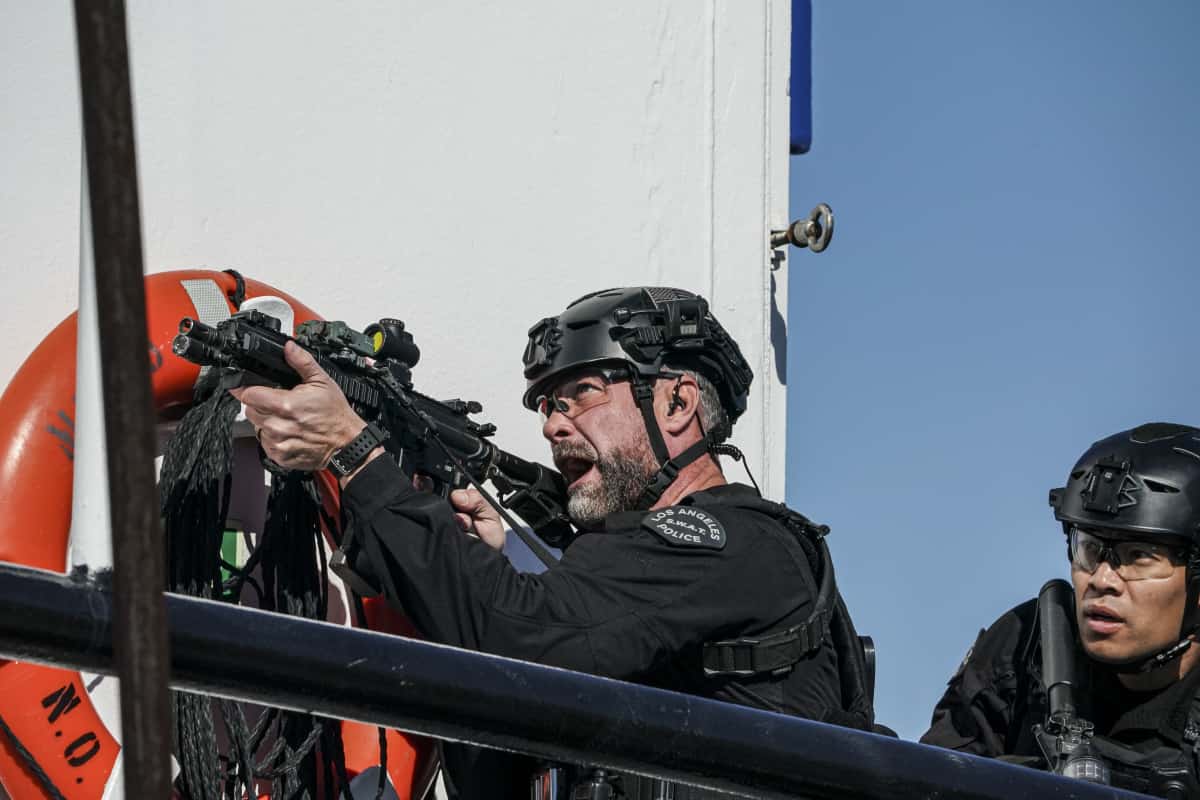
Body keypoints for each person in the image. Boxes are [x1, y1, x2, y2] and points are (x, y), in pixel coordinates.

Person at [233, 286, 875, 799]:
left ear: (677, 404)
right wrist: (475, 563)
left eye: (581, 395)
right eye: (546, 405)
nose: (552, 426)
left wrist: (356, 455)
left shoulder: (734, 543)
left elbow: (524, 634)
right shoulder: (642, 572)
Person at [921, 422, 1200, 797]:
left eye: (1137, 556)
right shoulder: (1024, 647)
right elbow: (932, 782)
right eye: (1090, 549)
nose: (1102, 579)